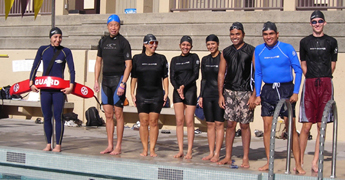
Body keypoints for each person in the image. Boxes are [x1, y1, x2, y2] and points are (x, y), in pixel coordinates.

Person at [254, 21, 305, 174]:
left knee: (291, 128)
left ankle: (298, 163)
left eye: (271, 34)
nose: (268, 37)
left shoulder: (286, 48)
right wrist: (257, 94)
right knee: (267, 128)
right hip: (268, 90)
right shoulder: (259, 50)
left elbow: (298, 71)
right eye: (265, 34)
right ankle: (269, 162)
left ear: (277, 34)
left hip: (286, 89)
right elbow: (258, 74)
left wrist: (296, 92)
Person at [299, 10, 338, 173]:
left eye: (320, 21)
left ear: (324, 23)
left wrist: (324, 77)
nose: (317, 24)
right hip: (310, 84)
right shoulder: (304, 42)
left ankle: (315, 161)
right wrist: (312, 77)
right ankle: (299, 161)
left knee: (322, 125)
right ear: (310, 24)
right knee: (307, 125)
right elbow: (303, 63)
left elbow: (333, 64)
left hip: (326, 84)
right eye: (314, 21)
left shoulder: (332, 41)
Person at [29, 27, 75, 152]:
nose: (58, 40)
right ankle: (48, 144)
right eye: (55, 37)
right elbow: (35, 66)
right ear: (50, 37)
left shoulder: (66, 51)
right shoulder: (43, 50)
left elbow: (72, 69)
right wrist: (31, 82)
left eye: (60, 37)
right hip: (45, 89)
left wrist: (71, 86)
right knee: (47, 116)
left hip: (59, 90)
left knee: (58, 116)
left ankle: (58, 145)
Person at [217, 22, 256, 167]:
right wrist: (220, 95)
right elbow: (221, 74)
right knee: (230, 124)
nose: (235, 37)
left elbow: (257, 74)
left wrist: (254, 95)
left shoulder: (251, 50)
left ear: (243, 34)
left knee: (244, 125)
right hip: (229, 91)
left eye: (237, 34)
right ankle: (227, 156)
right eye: (232, 34)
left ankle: (245, 157)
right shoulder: (226, 52)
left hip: (246, 92)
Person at [94, 14, 132, 155]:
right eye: (111, 25)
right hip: (105, 82)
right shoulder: (102, 41)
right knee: (108, 115)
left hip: (118, 81)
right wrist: (96, 81)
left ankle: (118, 146)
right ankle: (109, 145)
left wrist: (123, 83)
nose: (113, 27)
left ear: (119, 26)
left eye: (116, 25)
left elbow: (129, 65)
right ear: (107, 26)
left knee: (118, 113)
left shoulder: (123, 42)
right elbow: (98, 62)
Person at [130, 34, 169, 157]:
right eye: (151, 43)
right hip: (142, 94)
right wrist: (132, 92)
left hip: (156, 94)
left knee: (153, 122)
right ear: (145, 44)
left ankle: (152, 149)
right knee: (143, 122)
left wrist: (166, 92)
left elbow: (165, 77)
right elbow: (134, 77)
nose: (154, 45)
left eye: (156, 43)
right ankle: (145, 149)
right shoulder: (137, 58)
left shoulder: (161, 58)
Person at [170, 35, 200, 159]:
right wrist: (178, 88)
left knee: (189, 121)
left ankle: (189, 151)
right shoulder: (174, 60)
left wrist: (183, 86)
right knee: (179, 121)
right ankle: (181, 149)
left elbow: (195, 75)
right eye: (183, 45)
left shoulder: (194, 57)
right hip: (178, 91)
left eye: (188, 45)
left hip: (190, 91)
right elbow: (172, 77)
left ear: (191, 46)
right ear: (180, 46)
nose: (185, 47)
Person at [199, 34, 225, 162]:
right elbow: (203, 79)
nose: (211, 46)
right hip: (207, 94)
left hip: (219, 94)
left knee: (219, 123)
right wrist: (201, 95)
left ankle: (217, 153)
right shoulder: (205, 60)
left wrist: (223, 96)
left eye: (213, 44)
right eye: (208, 44)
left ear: (218, 44)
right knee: (209, 123)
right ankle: (210, 152)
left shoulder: (223, 58)